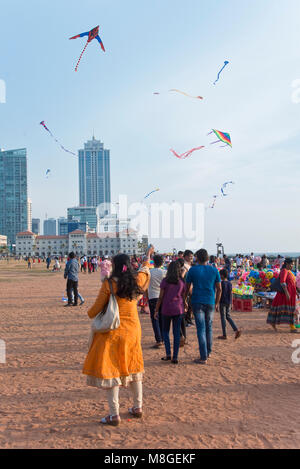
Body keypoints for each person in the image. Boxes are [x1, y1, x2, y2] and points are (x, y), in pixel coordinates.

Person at [82, 247, 153, 426]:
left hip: (113, 331)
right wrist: (148, 256)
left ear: (115, 266)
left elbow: (96, 309)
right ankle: (138, 407)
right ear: (129, 266)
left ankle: (114, 415)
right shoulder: (137, 280)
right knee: (134, 366)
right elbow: (145, 270)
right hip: (133, 330)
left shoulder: (109, 284)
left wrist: (90, 314)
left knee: (112, 370)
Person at [186, 249, 222, 364]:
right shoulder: (214, 270)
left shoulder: (192, 270)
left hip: (197, 301)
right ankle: (208, 352)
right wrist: (216, 303)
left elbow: (187, 288)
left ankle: (203, 356)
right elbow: (219, 289)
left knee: (201, 329)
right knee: (209, 328)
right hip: (210, 301)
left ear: (197, 258)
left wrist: (183, 300)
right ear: (207, 258)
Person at [154, 261, 186, 364]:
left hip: (166, 309)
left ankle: (168, 354)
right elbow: (183, 296)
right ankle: (175, 357)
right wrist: (185, 305)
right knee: (176, 333)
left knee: (165, 332)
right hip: (178, 309)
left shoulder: (165, 281)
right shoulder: (181, 282)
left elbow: (160, 297)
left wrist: (156, 310)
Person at [267, 258, 300, 333]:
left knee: (289, 310)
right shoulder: (284, 271)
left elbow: (292, 283)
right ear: (287, 264)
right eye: (291, 264)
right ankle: (292, 327)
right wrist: (287, 293)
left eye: (293, 264)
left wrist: (296, 292)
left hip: (291, 294)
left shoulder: (289, 272)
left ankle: (291, 326)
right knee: (285, 310)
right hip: (285, 295)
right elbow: (283, 283)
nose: (292, 266)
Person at [218, 269, 242, 340]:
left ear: (221, 275)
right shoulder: (229, 283)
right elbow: (231, 293)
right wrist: (231, 303)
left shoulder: (221, 283)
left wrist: (217, 302)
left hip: (222, 302)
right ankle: (236, 330)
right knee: (228, 316)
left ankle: (224, 334)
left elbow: (219, 293)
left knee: (223, 318)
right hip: (228, 302)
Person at [147, 255, 166, 348]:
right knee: (162, 318)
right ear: (162, 263)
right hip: (163, 297)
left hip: (152, 296)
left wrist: (147, 297)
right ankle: (162, 338)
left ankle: (159, 340)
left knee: (154, 318)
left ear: (153, 262)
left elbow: (146, 286)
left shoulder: (149, 272)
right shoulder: (164, 272)